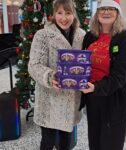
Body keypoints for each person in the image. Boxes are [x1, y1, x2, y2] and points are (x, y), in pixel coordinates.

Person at [79, 0, 126, 150]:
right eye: (102, 9)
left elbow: (120, 76)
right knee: (94, 140)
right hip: (93, 97)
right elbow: (82, 62)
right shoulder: (90, 36)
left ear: (117, 13)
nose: (106, 12)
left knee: (111, 143)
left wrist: (96, 87)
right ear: (97, 13)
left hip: (115, 100)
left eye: (111, 9)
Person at [28, 0, 85, 149]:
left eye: (68, 13)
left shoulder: (82, 35)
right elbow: (33, 65)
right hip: (50, 98)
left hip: (71, 97)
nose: (64, 18)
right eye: (59, 13)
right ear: (53, 14)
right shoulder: (43, 35)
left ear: (73, 14)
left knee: (66, 140)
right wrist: (49, 76)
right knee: (48, 140)